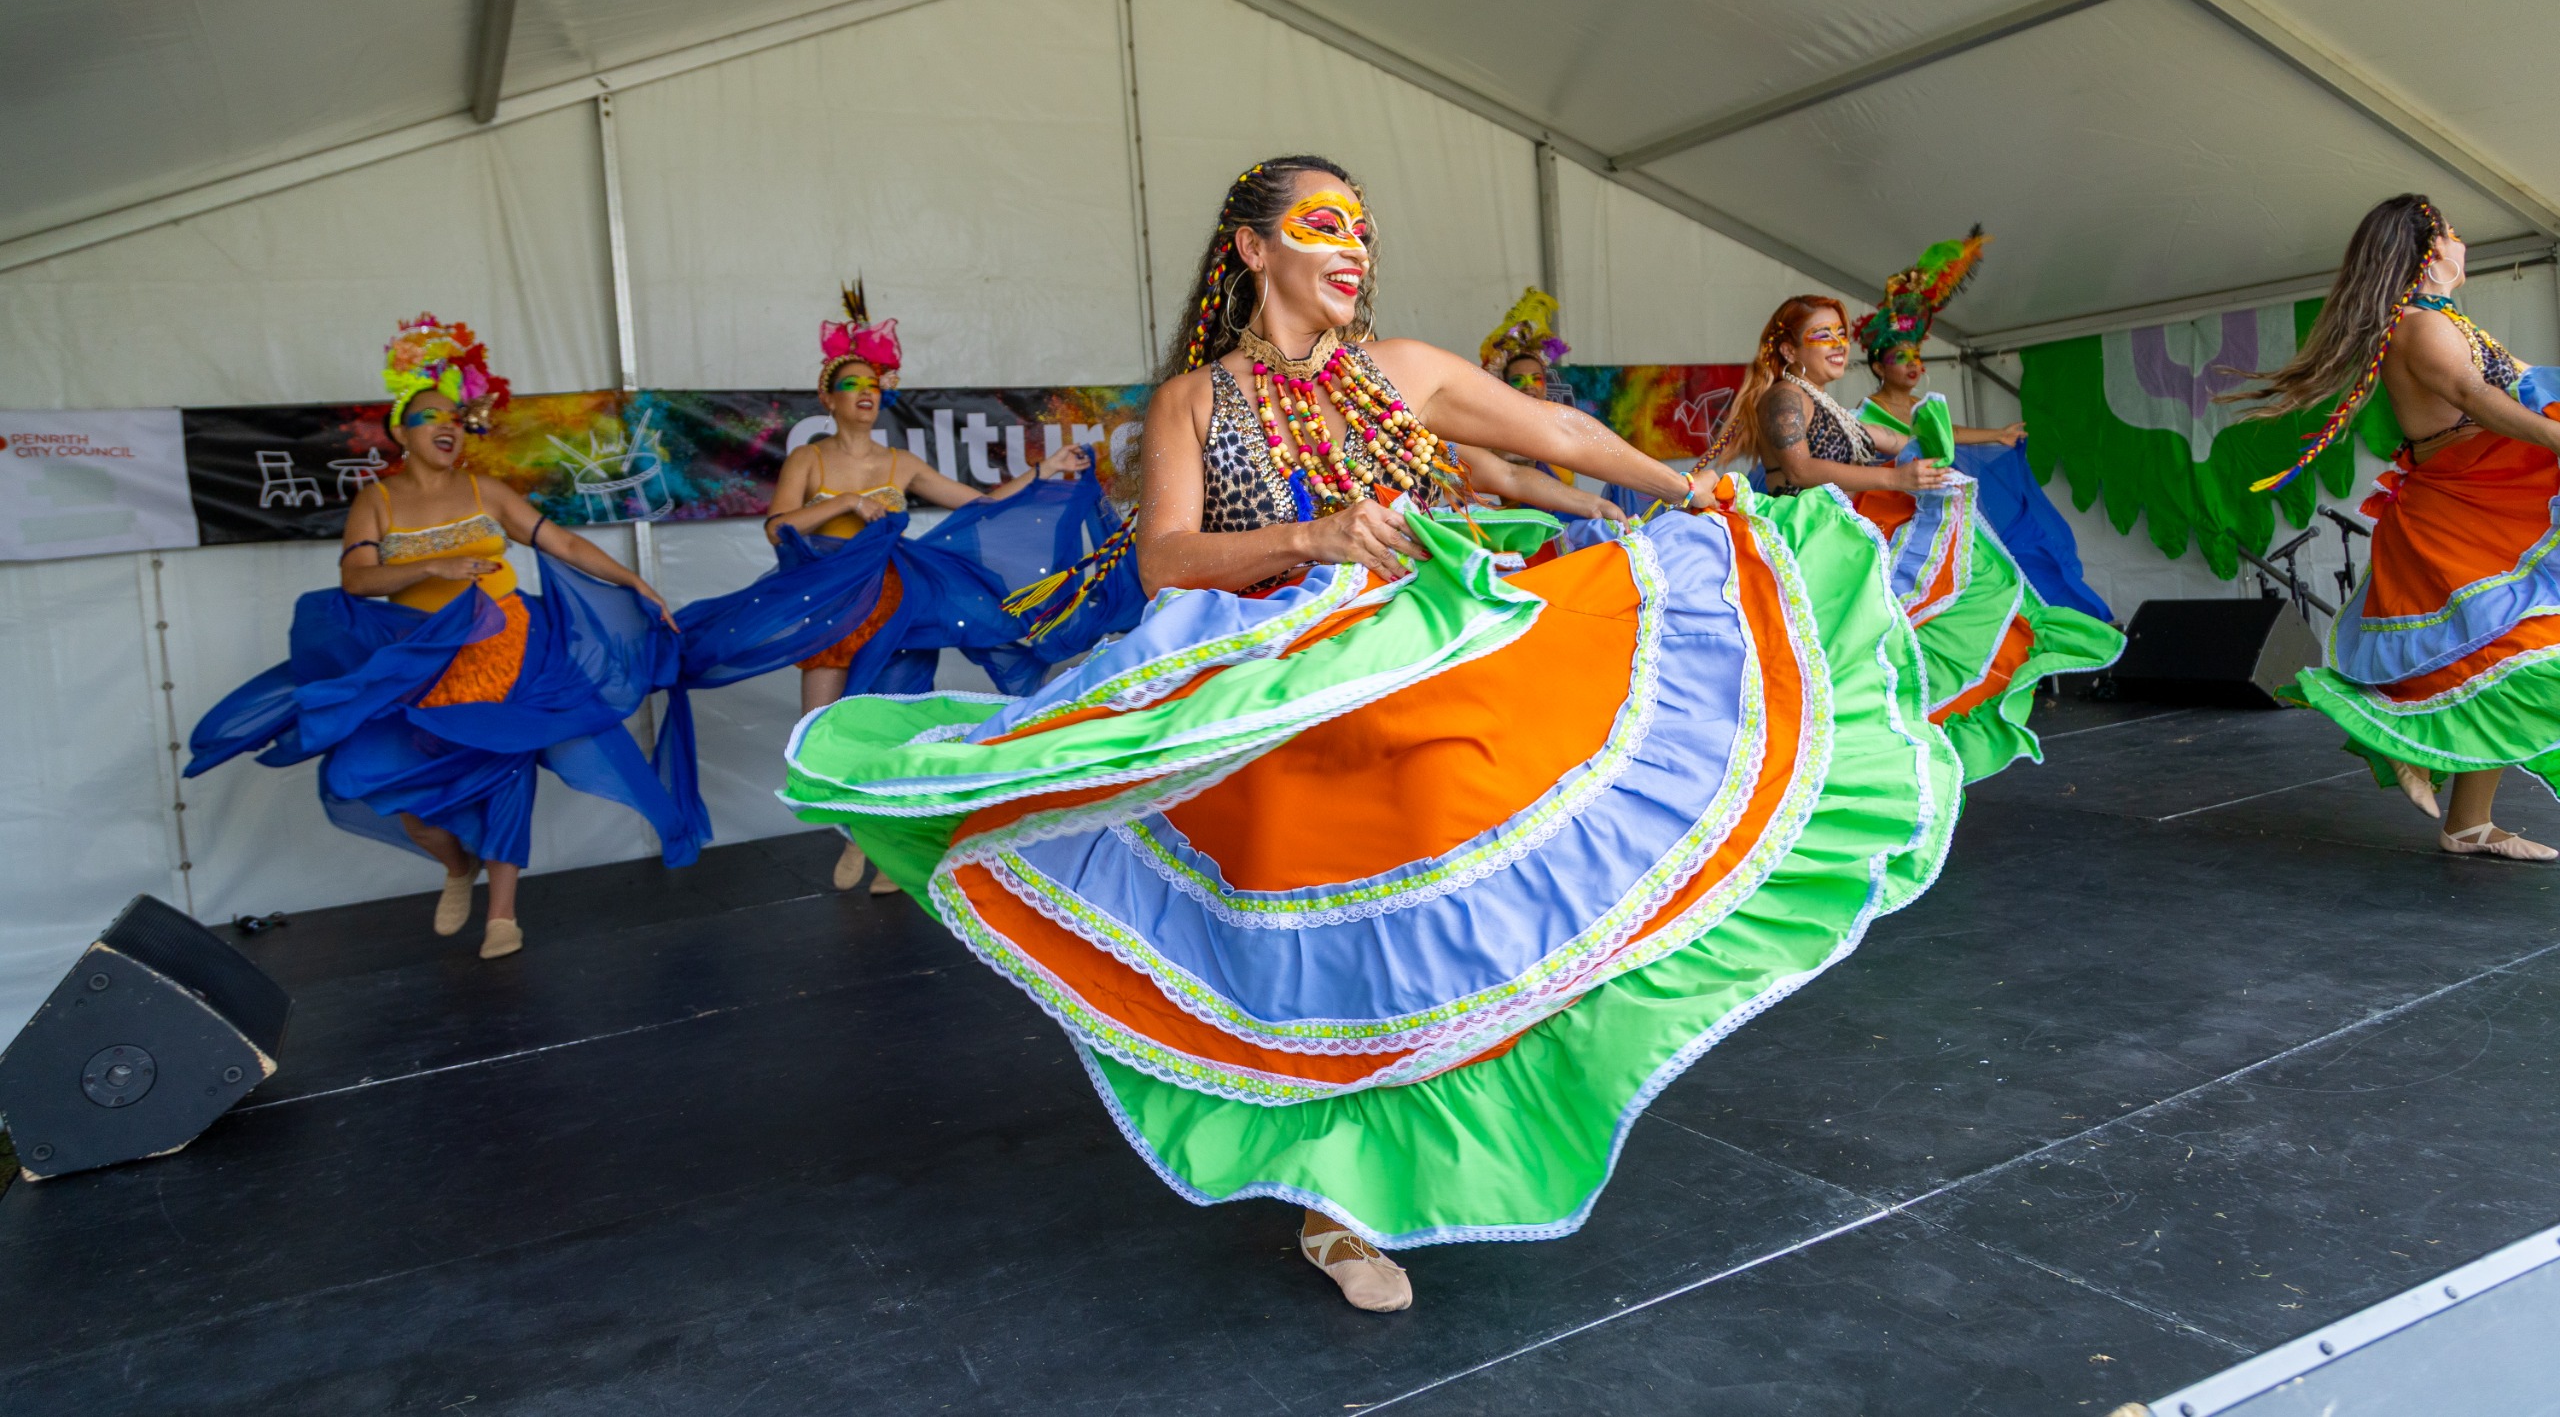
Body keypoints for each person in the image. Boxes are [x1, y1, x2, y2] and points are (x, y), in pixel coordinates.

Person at [781, 156, 1965, 1313]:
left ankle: (1461, 1127)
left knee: (1460, 901)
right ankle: (1334, 1205)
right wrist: (1310, 537)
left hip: (1413, 668)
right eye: (1323, 223)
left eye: (1361, 229)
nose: (1352, 246)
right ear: (1251, 248)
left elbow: (1556, 432)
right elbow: (1165, 558)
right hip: (1272, 701)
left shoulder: (1399, 371)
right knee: (1309, 961)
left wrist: (1684, 487)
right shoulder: (1193, 400)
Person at [187, 316, 701, 959]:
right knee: (375, 779)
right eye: (430, 416)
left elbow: (563, 544)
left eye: (455, 417)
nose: (447, 425)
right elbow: (356, 580)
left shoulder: (488, 490)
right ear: (401, 432)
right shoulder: (378, 500)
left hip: (509, 647)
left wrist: (634, 581)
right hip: (423, 658)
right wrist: (434, 567)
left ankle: (503, 916)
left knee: (507, 764)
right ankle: (458, 865)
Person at [663, 286, 1093, 896]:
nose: (866, 392)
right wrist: (844, 503)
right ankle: (857, 832)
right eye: (852, 384)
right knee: (821, 730)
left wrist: (1042, 472)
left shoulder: (901, 463)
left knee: (895, 726)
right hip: (829, 602)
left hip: (896, 604)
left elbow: (979, 506)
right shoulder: (808, 459)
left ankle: (889, 842)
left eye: (874, 384)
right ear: (828, 398)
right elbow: (777, 528)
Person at [2235, 195, 2559, 860]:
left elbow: (2527, 380)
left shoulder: (2449, 323)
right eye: (2455, 234)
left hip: (2485, 497)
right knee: (2506, 647)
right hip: (2456, 512)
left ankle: (2467, 824)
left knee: (2492, 658)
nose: (2464, 244)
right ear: (2431, 249)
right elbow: (2475, 398)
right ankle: (2401, 744)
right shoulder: (2419, 327)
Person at [1719, 292, 2122, 780]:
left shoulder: (1827, 404)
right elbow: (1801, 470)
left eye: (1841, 334)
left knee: (1931, 609)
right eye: (1822, 335)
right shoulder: (1785, 396)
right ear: (1788, 350)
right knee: (1850, 653)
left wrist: (1932, 447)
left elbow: (1894, 438)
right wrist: (1894, 478)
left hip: (1838, 534)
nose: (1838, 344)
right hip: (1807, 540)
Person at [1855, 232, 2113, 623]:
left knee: (2017, 558)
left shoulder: (1922, 405)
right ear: (1878, 366)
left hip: (1943, 508)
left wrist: (1998, 435)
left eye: (1916, 356)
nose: (1913, 365)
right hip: (1901, 521)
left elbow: (1950, 434)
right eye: (1901, 357)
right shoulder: (1863, 415)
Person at [1450, 289, 1627, 523]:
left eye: (1536, 378)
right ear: (1504, 385)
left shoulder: (1563, 424)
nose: (1528, 386)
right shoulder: (1493, 433)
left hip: (1570, 529)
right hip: (1525, 535)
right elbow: (1465, 483)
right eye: (1518, 380)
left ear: (1546, 383)